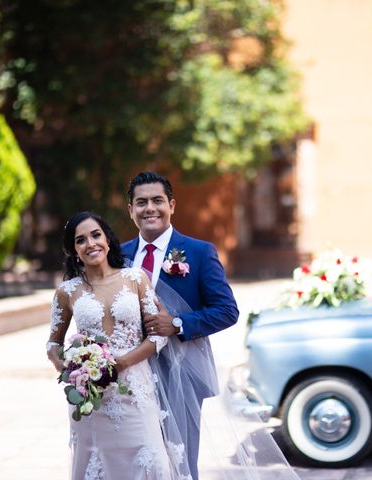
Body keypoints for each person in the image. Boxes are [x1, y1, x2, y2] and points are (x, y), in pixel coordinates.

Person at [45, 211, 192, 479]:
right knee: (97, 464)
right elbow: (53, 343)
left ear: (108, 240)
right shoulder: (67, 291)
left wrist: (122, 363)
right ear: (74, 250)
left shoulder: (135, 279)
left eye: (95, 235)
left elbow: (157, 335)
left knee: (149, 462)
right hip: (91, 396)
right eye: (81, 240)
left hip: (135, 389)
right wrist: (68, 367)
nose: (90, 244)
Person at [120, 172, 239, 479]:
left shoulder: (199, 252)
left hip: (181, 374)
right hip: (131, 375)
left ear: (171, 205)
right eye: (141, 202)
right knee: (137, 459)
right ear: (130, 209)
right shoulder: (118, 256)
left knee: (180, 458)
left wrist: (176, 323)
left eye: (157, 201)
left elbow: (227, 310)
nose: (150, 208)